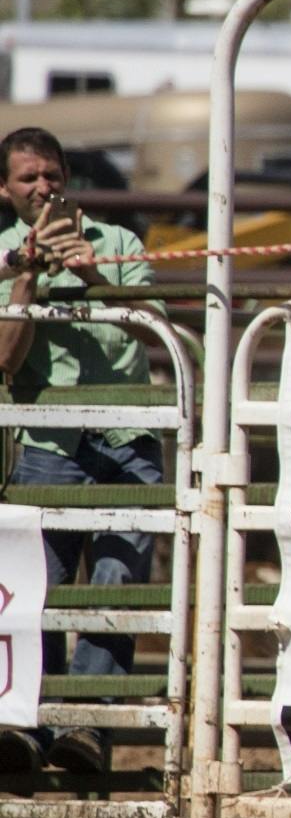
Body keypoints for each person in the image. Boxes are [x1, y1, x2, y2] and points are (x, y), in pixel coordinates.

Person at [0, 127, 157, 776]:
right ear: (5, 190)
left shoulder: (119, 243)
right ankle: (32, 730)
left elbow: (150, 319)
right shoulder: (5, 256)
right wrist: (26, 285)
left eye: (52, 174)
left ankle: (87, 726)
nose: (43, 187)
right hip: (47, 439)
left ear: (68, 178)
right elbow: (5, 361)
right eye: (29, 177)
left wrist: (89, 270)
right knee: (39, 593)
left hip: (126, 434)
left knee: (118, 582)